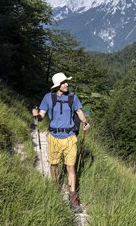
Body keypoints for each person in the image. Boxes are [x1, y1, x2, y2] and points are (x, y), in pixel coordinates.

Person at [32, 72, 90, 211]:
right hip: (53, 137)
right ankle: (55, 186)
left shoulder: (72, 97)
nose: (66, 84)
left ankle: (73, 197)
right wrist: (37, 115)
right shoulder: (48, 98)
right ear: (57, 85)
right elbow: (42, 116)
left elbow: (80, 112)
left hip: (70, 137)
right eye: (64, 82)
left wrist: (86, 123)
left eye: (66, 82)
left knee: (71, 167)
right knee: (54, 165)